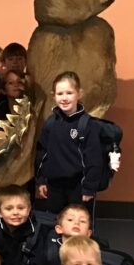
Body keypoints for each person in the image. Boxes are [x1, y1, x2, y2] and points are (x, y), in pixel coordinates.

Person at [35, 71, 103, 215]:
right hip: (54, 186)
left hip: (78, 187)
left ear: (79, 94)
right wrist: (41, 180)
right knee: (55, 222)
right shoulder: (50, 123)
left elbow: (94, 159)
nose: (64, 98)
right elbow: (42, 153)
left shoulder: (87, 124)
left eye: (69, 93)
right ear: (53, 96)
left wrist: (89, 188)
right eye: (60, 94)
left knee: (78, 222)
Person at [0, 185, 45, 265]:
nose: (15, 213)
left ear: (29, 210)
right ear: (0, 213)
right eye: (9, 209)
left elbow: (37, 264)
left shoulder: (36, 232)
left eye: (21, 208)